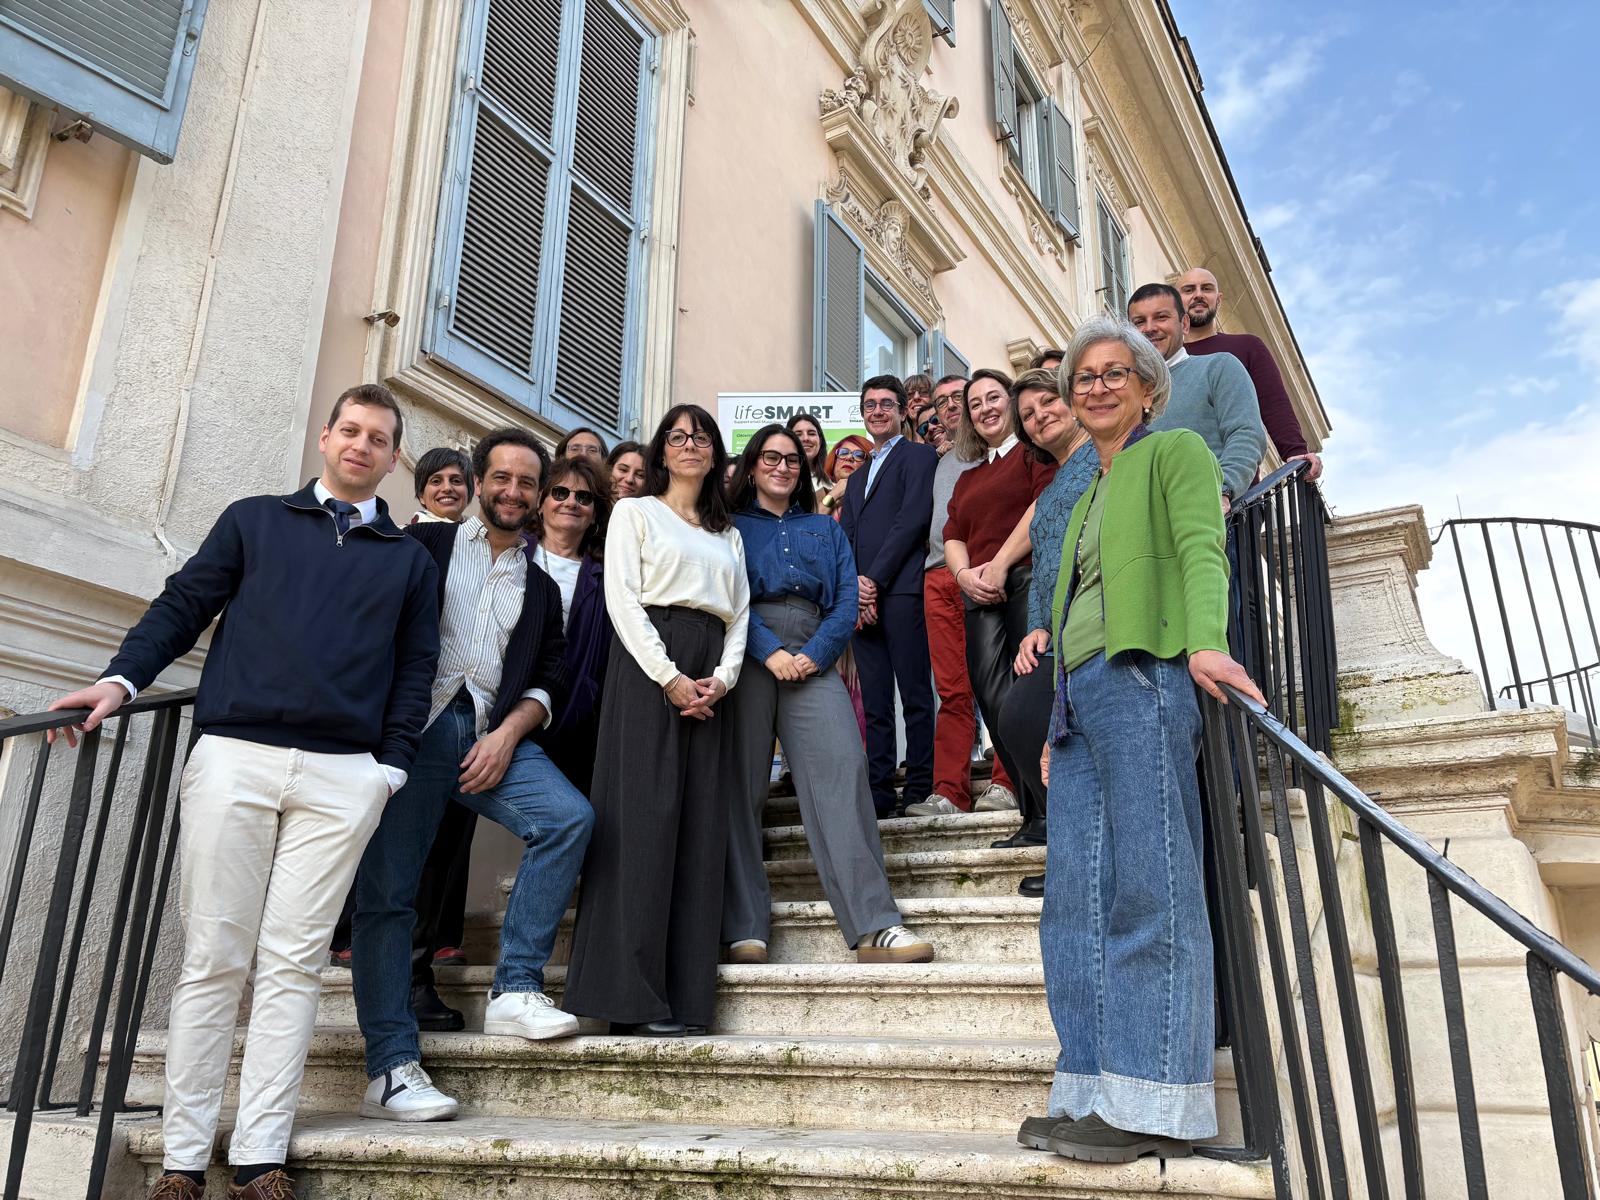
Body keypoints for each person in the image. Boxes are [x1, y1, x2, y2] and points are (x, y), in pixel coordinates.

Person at [48, 384, 439, 1200]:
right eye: (351, 430)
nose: (361, 445)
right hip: (236, 757)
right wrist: (120, 680)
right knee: (213, 961)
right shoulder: (254, 520)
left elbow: (416, 669)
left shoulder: (408, 560)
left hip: (344, 776)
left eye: (379, 438)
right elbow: (184, 604)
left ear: (393, 458)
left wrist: (390, 768)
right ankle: (183, 1161)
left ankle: (261, 1159)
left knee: (293, 966)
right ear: (326, 437)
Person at [1017, 315, 1263, 1164]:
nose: (1096, 386)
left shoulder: (1175, 453)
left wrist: (1206, 643)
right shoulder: (1085, 489)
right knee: (1073, 903)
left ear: (1148, 389)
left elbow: (1201, 548)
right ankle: (1091, 1088)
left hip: (1143, 675)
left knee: (1149, 886)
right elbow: (1068, 605)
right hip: (1079, 698)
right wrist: (1055, 716)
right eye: (1083, 376)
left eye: (1114, 372)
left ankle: (1155, 1098)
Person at [350, 427, 593, 1123]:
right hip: (411, 734)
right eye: (502, 478)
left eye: (527, 482)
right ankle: (390, 1068)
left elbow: (549, 674)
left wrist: (509, 735)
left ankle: (514, 989)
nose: (513, 491)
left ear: (539, 496)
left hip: (487, 735)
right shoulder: (423, 544)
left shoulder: (540, 587)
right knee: (389, 895)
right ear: (478, 482)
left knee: (567, 819)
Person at [563, 405, 750, 1037]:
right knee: (641, 824)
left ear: (715, 452)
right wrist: (669, 678)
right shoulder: (635, 513)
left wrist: (723, 678)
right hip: (649, 668)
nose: (690, 445)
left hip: (710, 677)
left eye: (701, 437)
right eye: (677, 436)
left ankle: (685, 1001)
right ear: (662, 451)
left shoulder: (727, 534)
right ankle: (627, 999)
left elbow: (740, 614)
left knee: (698, 832)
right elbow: (621, 599)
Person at [721, 425, 934, 966]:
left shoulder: (824, 527)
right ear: (752, 466)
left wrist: (817, 653)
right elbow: (727, 595)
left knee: (844, 770)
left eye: (791, 459)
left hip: (814, 651)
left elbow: (845, 598)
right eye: (771, 457)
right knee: (740, 786)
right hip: (747, 650)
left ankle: (874, 924)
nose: (782, 466)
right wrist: (768, 650)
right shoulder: (729, 526)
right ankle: (744, 925)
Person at [936, 369, 1057, 841]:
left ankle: (1049, 813)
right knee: (994, 698)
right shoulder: (967, 478)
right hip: (979, 591)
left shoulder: (1033, 455)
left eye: (993, 397)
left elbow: (1042, 507)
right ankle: (1033, 812)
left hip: (1024, 579)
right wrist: (964, 575)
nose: (985, 408)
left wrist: (1002, 562)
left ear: (1011, 402)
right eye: (975, 403)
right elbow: (952, 534)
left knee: (1026, 697)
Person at [905, 373, 1018, 818]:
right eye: (943, 402)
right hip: (940, 576)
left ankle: (1008, 781)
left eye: (959, 397)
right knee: (952, 691)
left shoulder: (1006, 452)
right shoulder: (940, 458)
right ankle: (949, 791)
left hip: (989, 572)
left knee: (1001, 682)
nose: (951, 405)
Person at [1004, 368, 1098, 898]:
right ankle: (1070, 849)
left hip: (1093, 623)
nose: (1040, 417)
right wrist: (1034, 628)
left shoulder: (1103, 459)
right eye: (1028, 416)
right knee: (1019, 719)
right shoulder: (1055, 483)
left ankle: (1082, 858)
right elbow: (1043, 568)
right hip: (1054, 630)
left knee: (1043, 727)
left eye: (1047, 402)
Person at [839, 375, 938, 817]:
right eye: (869, 405)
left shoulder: (919, 456)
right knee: (876, 700)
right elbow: (847, 535)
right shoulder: (857, 476)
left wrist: (873, 581)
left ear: (901, 411)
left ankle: (918, 788)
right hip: (861, 599)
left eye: (886, 404)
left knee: (914, 695)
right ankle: (879, 792)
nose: (877, 411)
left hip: (901, 590)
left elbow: (911, 520)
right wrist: (855, 588)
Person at [1127, 283, 1266, 510]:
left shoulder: (1218, 367)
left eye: (1161, 317)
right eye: (1139, 322)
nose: (1149, 328)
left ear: (1184, 324)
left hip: (1208, 514)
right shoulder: (1122, 389)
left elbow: (1246, 434)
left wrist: (1223, 490)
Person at [1177, 267, 1322, 481]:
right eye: (1189, 290)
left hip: (1236, 486)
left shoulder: (1247, 347)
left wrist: (1295, 451)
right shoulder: (1161, 360)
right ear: (1175, 301)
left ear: (1219, 299)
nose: (1198, 295)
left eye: (1206, 289)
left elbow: (1273, 402)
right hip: (1173, 480)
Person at [530, 455, 614, 796]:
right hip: (494, 701)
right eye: (560, 492)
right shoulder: (513, 551)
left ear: (595, 515)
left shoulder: (606, 577)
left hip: (566, 715)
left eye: (584, 497)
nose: (571, 502)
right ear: (541, 502)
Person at [410, 446, 474, 523]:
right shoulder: (403, 531)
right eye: (436, 481)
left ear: (469, 492)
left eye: (456, 481)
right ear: (421, 496)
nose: (447, 488)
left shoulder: (481, 530)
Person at [818, 434, 870, 517]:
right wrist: (834, 494)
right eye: (843, 452)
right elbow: (811, 523)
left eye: (859, 455)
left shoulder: (875, 498)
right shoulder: (816, 496)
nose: (849, 457)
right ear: (834, 461)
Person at [786, 411, 831, 498]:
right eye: (798, 434)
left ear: (820, 441)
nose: (805, 438)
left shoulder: (832, 478)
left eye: (811, 433)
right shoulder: (779, 477)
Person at [903, 372, 934, 442]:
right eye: (910, 394)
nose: (916, 397)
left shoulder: (946, 438)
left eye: (924, 392)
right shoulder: (897, 443)